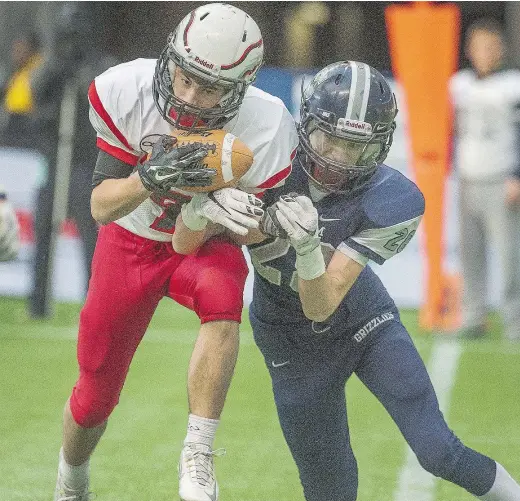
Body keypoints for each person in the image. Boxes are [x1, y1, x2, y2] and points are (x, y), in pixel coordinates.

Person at [240, 61, 520, 500]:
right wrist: (210, 207)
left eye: (354, 147)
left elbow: (321, 304)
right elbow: (206, 234)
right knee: (330, 488)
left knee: (439, 452)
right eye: (330, 139)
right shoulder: (267, 158)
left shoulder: (391, 198)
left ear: (379, 147)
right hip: (289, 341)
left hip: (361, 322)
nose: (337, 158)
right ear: (305, 126)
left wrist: (305, 247)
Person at [53, 4, 298, 501]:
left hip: (202, 243)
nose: (188, 96)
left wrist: (240, 216)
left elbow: (260, 236)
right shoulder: (128, 89)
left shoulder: (266, 125)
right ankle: (71, 480)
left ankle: (199, 452)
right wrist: (148, 178)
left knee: (224, 295)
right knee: (94, 395)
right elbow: (100, 206)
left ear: (240, 88)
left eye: (208, 88)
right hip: (131, 240)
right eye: (184, 78)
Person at [449, 18, 520, 341]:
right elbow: (451, 132)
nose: (485, 53)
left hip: (500, 178)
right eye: (479, 46)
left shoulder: (518, 85)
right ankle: (474, 316)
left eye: (491, 46)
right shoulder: (458, 84)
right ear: (469, 50)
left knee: (507, 254)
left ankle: (515, 321)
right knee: (470, 252)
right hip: (468, 178)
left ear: (500, 49)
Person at [28, 3, 119, 318]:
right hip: (54, 160)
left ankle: (95, 303)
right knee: (43, 227)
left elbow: (109, 103)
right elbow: (34, 96)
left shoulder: (99, 67)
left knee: (90, 235)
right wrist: (55, 65)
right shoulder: (51, 66)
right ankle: (38, 302)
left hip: (84, 161)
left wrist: (85, 78)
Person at [0, 184, 19, 261]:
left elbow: (2, 234)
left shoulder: (3, 212)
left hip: (4, 253)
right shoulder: (8, 209)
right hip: (11, 252)